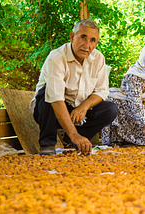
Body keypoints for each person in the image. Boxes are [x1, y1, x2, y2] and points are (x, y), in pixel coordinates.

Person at [29, 18, 118, 155]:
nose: (87, 45)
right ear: (72, 37)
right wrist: (73, 133)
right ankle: (47, 143)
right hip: (50, 111)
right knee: (47, 92)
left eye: (92, 40)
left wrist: (84, 107)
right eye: (83, 37)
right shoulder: (57, 57)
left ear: (96, 43)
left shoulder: (99, 58)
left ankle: (75, 141)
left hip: (77, 113)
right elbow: (56, 99)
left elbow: (101, 91)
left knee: (110, 109)